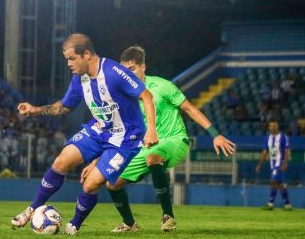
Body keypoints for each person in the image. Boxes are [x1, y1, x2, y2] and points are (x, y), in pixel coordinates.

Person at [11, 34, 158, 235]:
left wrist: (151, 129)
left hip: (126, 139)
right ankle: (31, 209)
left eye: (72, 59)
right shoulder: (79, 79)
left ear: (86, 54)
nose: (69, 64)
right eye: (67, 60)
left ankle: (74, 225)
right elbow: (65, 106)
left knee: (90, 184)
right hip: (98, 130)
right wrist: (35, 110)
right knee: (61, 161)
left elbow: (146, 96)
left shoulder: (114, 72)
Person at [81, 46, 236, 232]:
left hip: (174, 139)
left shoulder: (162, 86)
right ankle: (130, 224)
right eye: (124, 70)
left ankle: (168, 217)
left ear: (143, 67)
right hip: (144, 147)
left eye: (132, 69)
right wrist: (97, 161)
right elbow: (115, 133)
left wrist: (215, 134)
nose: (127, 74)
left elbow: (189, 109)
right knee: (112, 183)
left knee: (153, 157)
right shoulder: (121, 97)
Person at [256, 121, 292, 211]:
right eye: (269, 126)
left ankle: (270, 203)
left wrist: (285, 163)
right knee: (279, 184)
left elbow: (287, 151)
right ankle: (287, 204)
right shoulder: (267, 138)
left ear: (277, 127)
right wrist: (260, 164)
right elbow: (265, 152)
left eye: (272, 126)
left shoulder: (283, 137)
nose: (270, 127)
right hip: (272, 164)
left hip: (280, 162)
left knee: (273, 181)